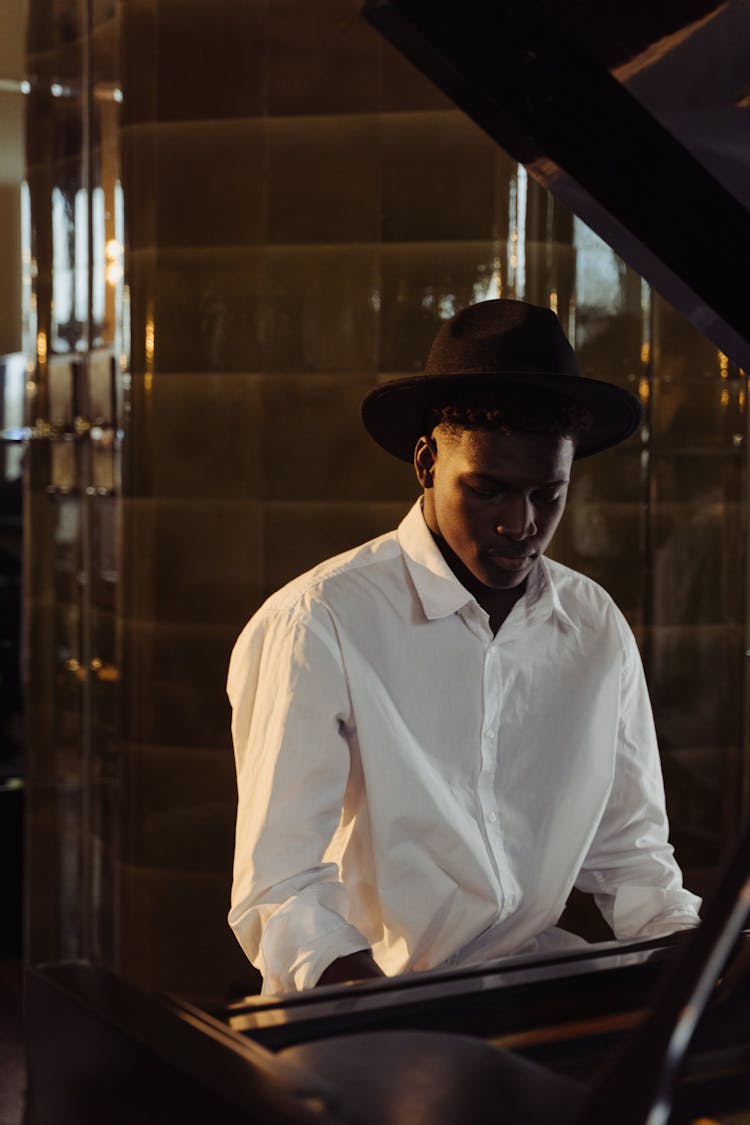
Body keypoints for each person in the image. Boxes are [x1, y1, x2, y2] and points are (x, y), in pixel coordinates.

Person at [227, 298, 701, 995]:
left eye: (549, 494)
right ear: (427, 462)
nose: (522, 524)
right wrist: (378, 1016)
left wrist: (704, 966)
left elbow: (633, 859)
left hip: (533, 989)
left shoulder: (594, 626)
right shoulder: (318, 621)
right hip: (363, 1001)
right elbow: (281, 888)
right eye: (488, 490)